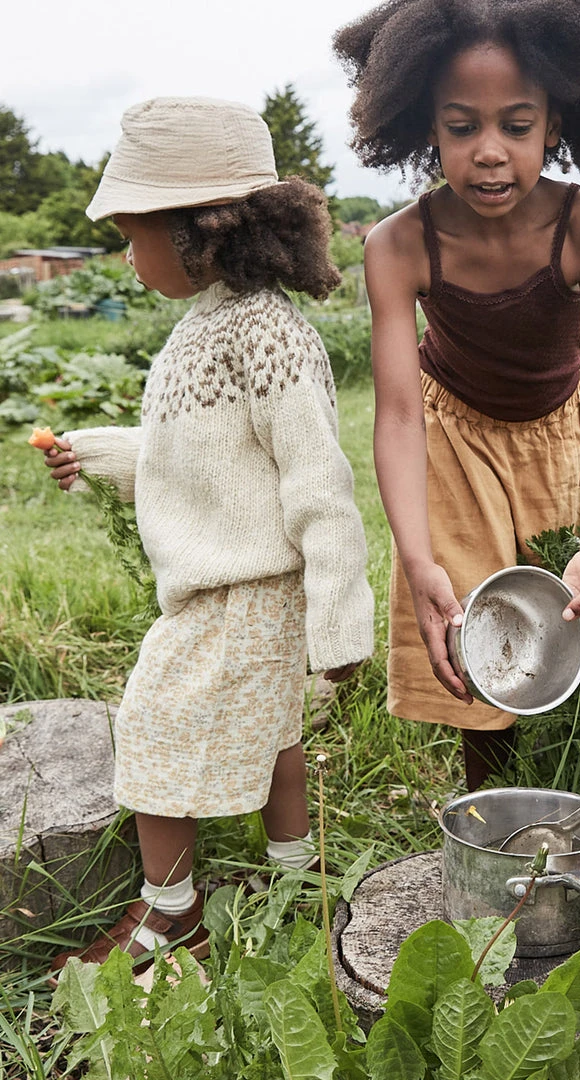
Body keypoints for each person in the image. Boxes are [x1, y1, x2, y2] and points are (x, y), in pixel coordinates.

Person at [39, 97, 375, 980]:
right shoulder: (209, 325)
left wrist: (340, 622)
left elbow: (318, 482)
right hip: (239, 590)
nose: (126, 252)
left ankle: (173, 913)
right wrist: (101, 451)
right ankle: (296, 880)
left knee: (150, 730)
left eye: (132, 232)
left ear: (200, 230)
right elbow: (197, 455)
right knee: (275, 734)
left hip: (247, 593)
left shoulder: (267, 335)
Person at [333, 0, 580, 790]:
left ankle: (564, 800)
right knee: (477, 642)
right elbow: (398, 413)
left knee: (559, 627)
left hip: (559, 436)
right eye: (462, 126)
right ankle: (492, 814)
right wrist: (416, 556)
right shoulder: (397, 245)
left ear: (555, 125)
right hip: (453, 440)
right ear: (424, 127)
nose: (490, 153)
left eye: (516, 124)